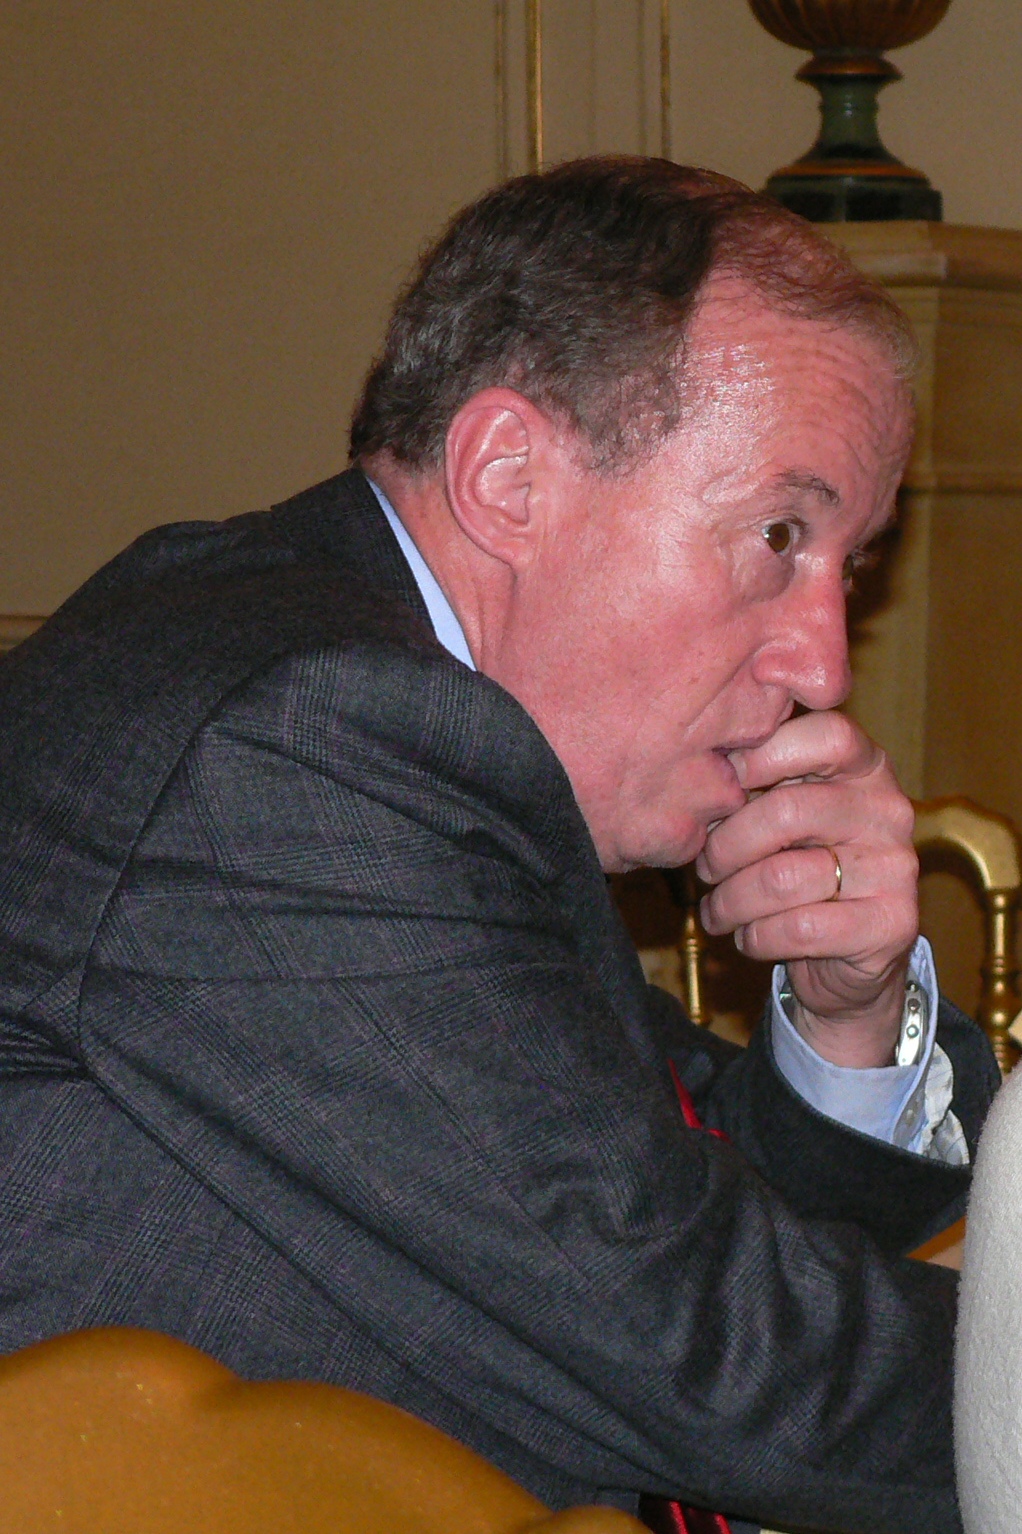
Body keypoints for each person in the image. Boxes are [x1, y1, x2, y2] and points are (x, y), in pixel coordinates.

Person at [0, 157, 1000, 1534]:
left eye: (851, 566)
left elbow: (660, 1204)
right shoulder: (292, 738)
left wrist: (847, 1019)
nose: (821, 665)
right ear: (509, 478)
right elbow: (713, 1357)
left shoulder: (362, 693)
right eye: (777, 534)